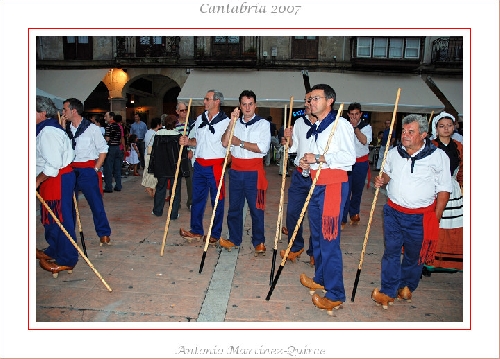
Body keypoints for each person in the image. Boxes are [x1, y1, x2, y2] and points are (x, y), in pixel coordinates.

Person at [371, 114, 452, 309]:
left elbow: (444, 189)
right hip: (393, 211)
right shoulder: (394, 152)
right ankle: (387, 290)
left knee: (414, 255)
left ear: (424, 134)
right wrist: (382, 179)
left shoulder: (438, 156)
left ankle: (406, 286)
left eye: (411, 132)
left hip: (421, 216)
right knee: (391, 252)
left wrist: (436, 216)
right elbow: (388, 172)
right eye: (404, 131)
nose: (405, 135)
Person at [296, 84, 355, 315]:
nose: (311, 103)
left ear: (329, 101)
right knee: (318, 236)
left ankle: (336, 293)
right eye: (310, 100)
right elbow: (313, 159)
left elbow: (348, 158)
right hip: (316, 184)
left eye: (315, 98)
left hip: (332, 186)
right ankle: (321, 277)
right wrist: (305, 164)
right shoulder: (316, 126)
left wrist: (319, 157)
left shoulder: (340, 124)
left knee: (330, 240)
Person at [220, 90, 271, 255]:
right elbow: (225, 143)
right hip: (235, 171)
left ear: (255, 105)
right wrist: (231, 123)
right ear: (240, 106)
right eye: (244, 104)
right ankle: (234, 239)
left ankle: (259, 241)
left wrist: (240, 143)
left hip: (254, 173)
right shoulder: (234, 122)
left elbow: (262, 148)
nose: (247, 107)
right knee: (234, 207)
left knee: (257, 208)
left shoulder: (263, 124)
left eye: (250, 104)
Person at [179, 90, 231, 245]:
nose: (204, 102)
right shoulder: (200, 119)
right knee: (197, 199)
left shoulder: (226, 121)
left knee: (217, 200)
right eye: (204, 99)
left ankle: (215, 233)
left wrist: (225, 163)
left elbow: (229, 145)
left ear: (217, 101)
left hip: (215, 165)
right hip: (200, 164)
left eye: (207, 99)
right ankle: (196, 230)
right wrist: (188, 141)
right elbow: (198, 141)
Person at [36, 95, 79, 276]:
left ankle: (67, 258)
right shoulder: (45, 129)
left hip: (56, 178)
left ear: (42, 113)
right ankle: (55, 248)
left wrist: (37, 180)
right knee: (51, 218)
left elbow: (53, 163)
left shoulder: (48, 132)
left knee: (61, 218)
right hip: (53, 178)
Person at [62, 98, 112, 246]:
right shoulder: (65, 129)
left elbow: (103, 150)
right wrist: (62, 127)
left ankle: (103, 233)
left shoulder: (92, 129)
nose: (63, 112)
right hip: (70, 169)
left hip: (87, 169)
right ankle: (69, 235)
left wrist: (95, 168)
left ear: (73, 111)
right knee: (69, 204)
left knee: (95, 203)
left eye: (65, 109)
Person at [280, 91, 316, 265]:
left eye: (309, 101)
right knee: (293, 212)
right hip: (300, 174)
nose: (306, 104)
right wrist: (288, 139)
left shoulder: (329, 124)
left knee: (316, 216)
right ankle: (295, 247)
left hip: (319, 175)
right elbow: (292, 148)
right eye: (306, 101)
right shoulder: (299, 122)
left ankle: (315, 252)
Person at [424, 111, 463, 273]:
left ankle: (450, 262)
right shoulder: (430, 146)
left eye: (449, 125)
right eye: (442, 126)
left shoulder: (459, 146)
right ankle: (427, 260)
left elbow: (463, 169)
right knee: (433, 222)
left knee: (452, 224)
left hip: (453, 189)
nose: (446, 129)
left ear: (454, 127)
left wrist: (462, 186)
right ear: (436, 128)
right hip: (433, 188)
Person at [149, 115, 188, 219]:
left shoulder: (158, 135)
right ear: (175, 124)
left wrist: (153, 166)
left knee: (160, 188)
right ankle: (173, 213)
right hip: (174, 167)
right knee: (175, 190)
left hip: (161, 166)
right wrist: (184, 169)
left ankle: (157, 210)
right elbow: (183, 154)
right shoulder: (178, 136)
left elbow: (154, 152)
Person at [341, 102, 372, 229]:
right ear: (348, 114)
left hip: (360, 163)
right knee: (345, 191)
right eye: (352, 114)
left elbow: (364, 141)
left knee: (357, 190)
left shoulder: (366, 126)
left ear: (361, 114)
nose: (354, 117)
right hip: (347, 163)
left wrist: (355, 128)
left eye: (357, 114)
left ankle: (354, 213)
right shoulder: (343, 126)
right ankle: (342, 217)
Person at [175, 101, 194, 210]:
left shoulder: (192, 123)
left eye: (186, 110)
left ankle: (191, 202)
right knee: (175, 179)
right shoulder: (174, 124)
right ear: (177, 111)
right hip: (176, 154)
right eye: (182, 110)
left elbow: (195, 137)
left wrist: (191, 149)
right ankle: (176, 202)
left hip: (187, 153)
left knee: (190, 179)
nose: (184, 112)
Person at [103, 111, 123, 193]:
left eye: (106, 116)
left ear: (111, 117)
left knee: (108, 168)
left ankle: (108, 186)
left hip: (111, 147)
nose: (105, 118)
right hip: (117, 147)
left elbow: (107, 139)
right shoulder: (118, 126)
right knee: (117, 168)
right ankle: (118, 185)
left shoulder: (109, 126)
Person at [142, 117, 162, 197]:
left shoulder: (148, 132)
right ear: (158, 125)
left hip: (147, 154)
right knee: (152, 172)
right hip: (152, 155)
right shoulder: (155, 134)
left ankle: (151, 187)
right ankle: (149, 187)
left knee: (148, 171)